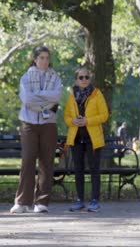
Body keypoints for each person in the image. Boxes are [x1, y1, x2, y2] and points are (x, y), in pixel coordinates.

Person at [10, 46, 62, 214]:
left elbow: (56, 98)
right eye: (41, 58)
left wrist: (39, 96)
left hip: (49, 124)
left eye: (47, 58)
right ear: (35, 59)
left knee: (47, 162)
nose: (45, 61)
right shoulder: (25, 78)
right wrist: (45, 99)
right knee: (28, 160)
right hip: (29, 123)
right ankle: (22, 202)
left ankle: (41, 202)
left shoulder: (56, 78)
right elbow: (27, 99)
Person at [64, 67, 109, 212]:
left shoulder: (97, 94)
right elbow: (66, 117)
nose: (84, 80)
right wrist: (73, 121)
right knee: (78, 169)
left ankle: (95, 200)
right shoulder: (71, 96)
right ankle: (79, 200)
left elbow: (104, 115)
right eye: (81, 77)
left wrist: (87, 121)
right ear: (76, 80)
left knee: (94, 169)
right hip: (76, 138)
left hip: (93, 138)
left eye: (86, 77)